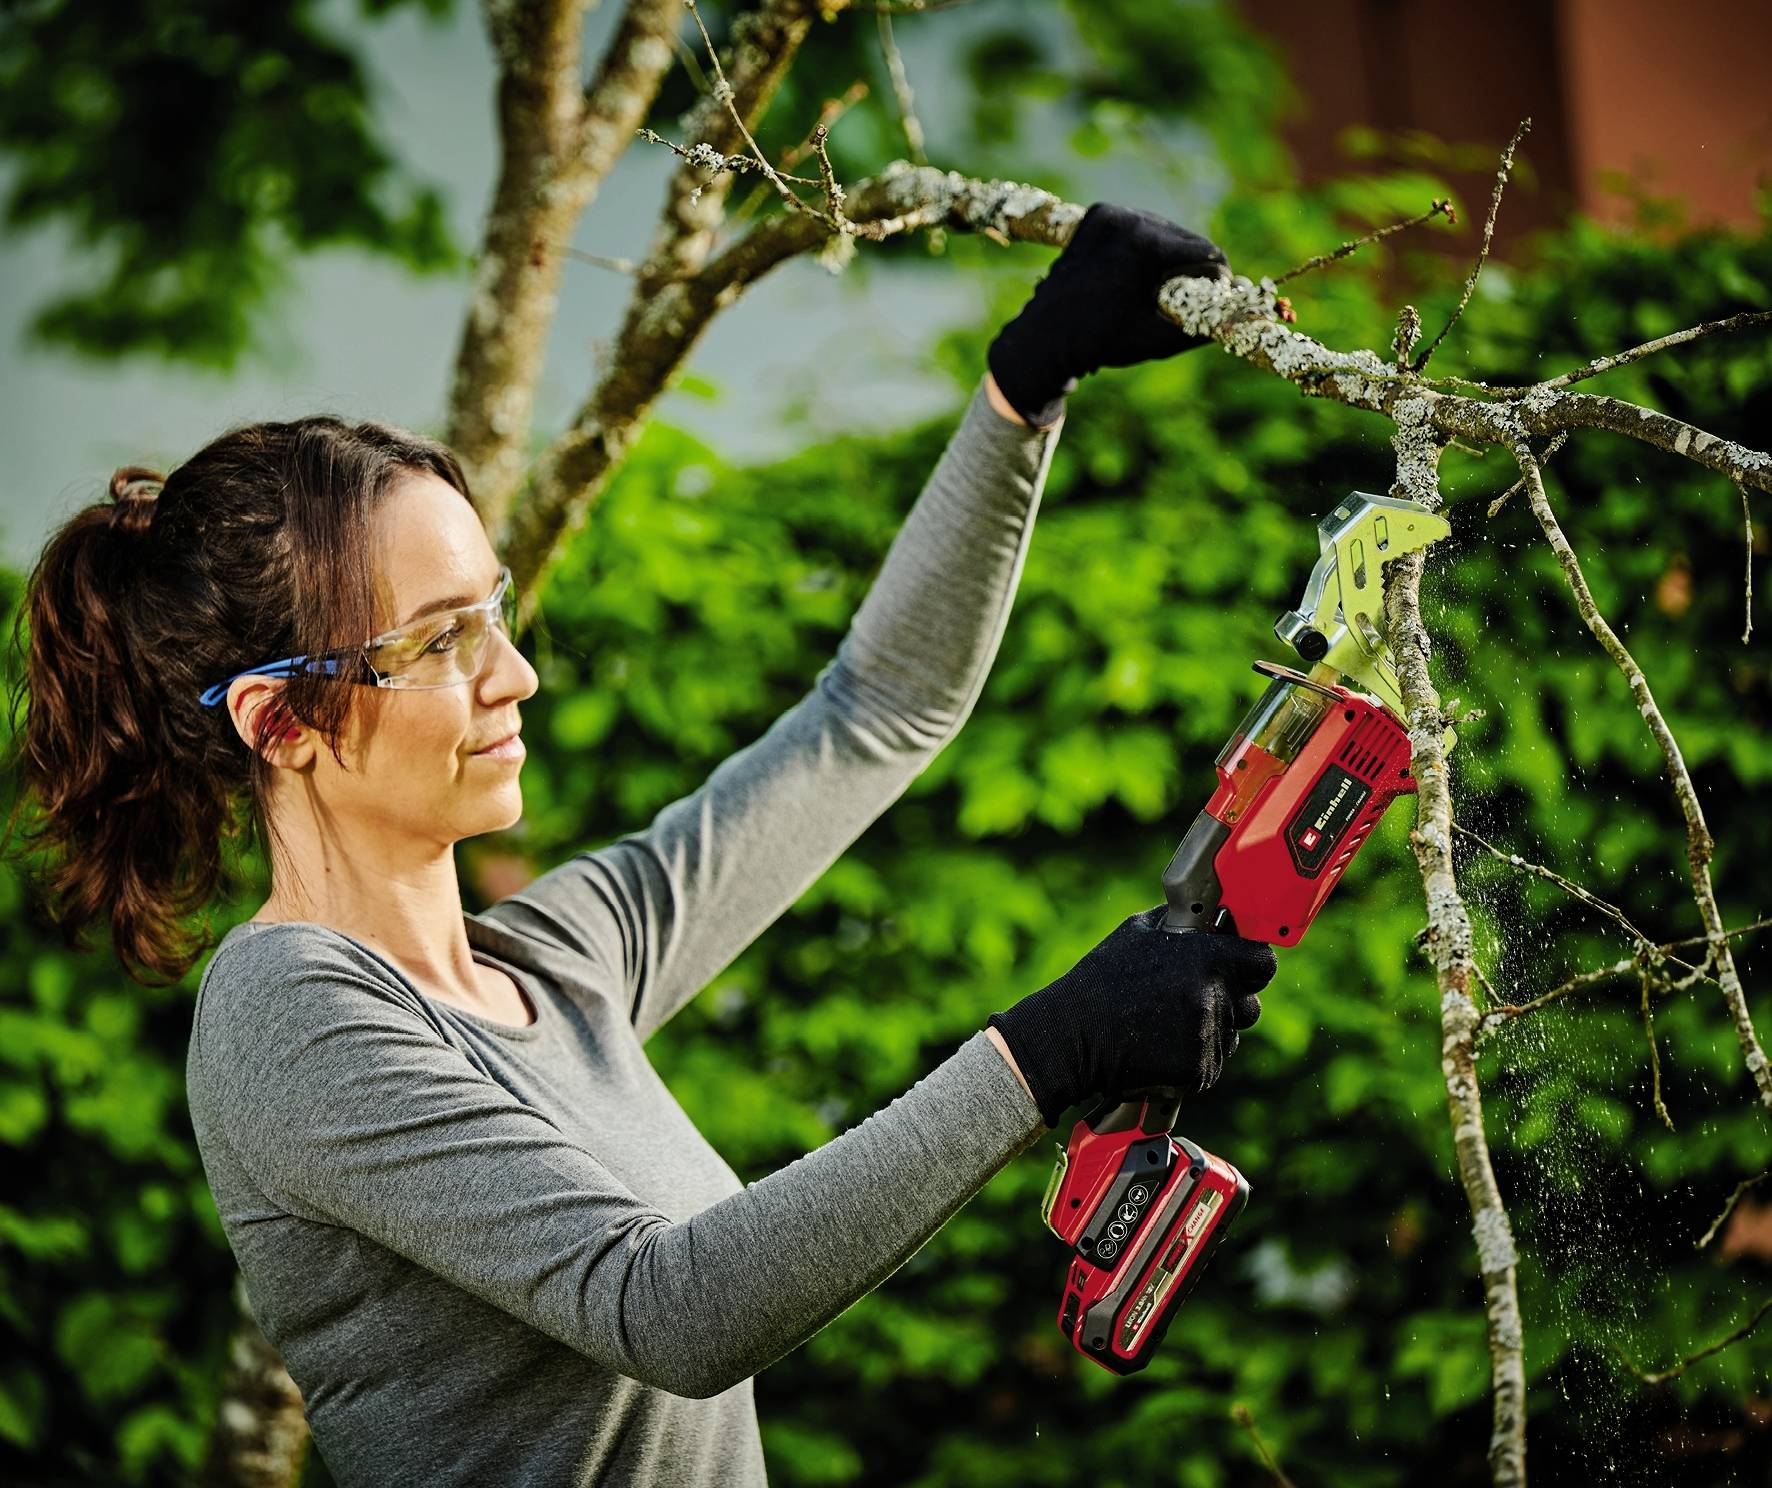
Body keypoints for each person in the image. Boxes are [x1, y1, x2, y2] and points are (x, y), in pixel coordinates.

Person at [8, 202, 1277, 1485]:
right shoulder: (288, 1017)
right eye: (437, 641)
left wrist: (1022, 387)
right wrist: (1049, 1049)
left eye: (491, 612)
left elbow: (875, 715)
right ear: (281, 721)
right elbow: (667, 1309)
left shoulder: (561, 960)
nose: (512, 675)